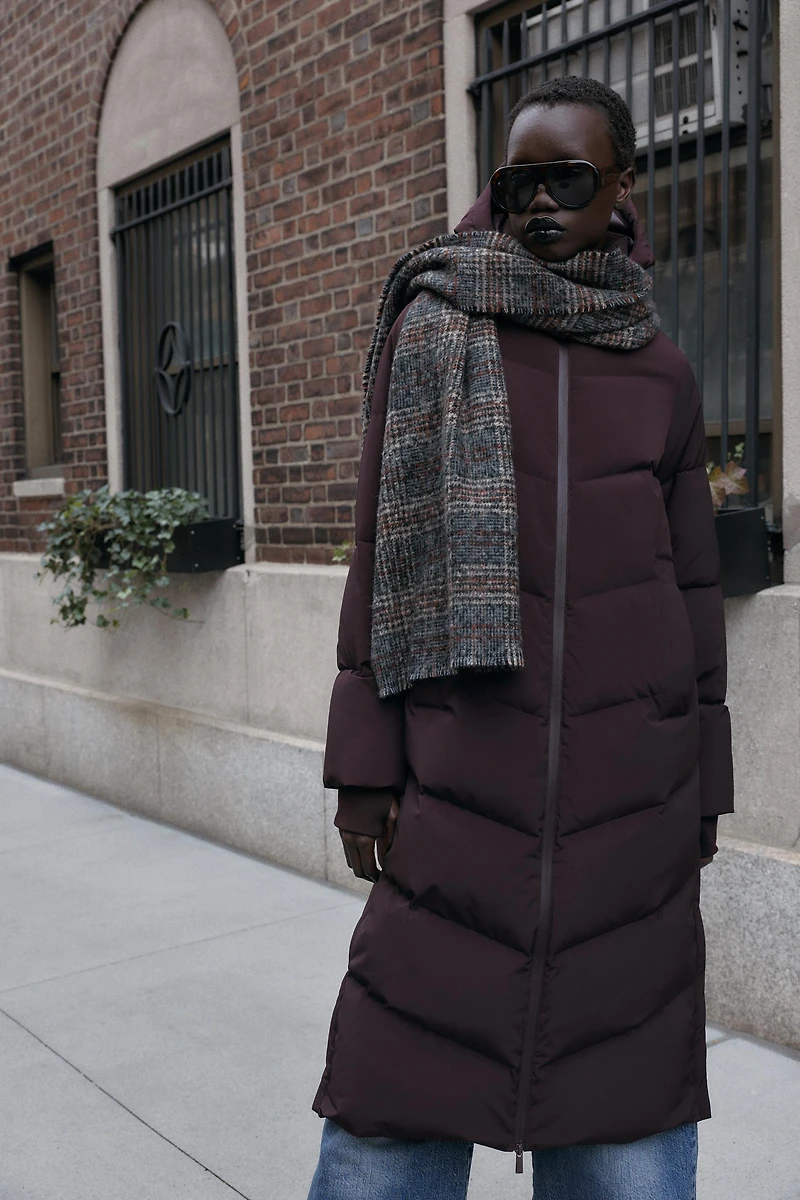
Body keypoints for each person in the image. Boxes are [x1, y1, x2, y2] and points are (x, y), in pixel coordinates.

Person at [308, 76, 733, 1200]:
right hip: (456, 790)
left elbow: (692, 591)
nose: (538, 203)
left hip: (628, 817)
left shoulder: (660, 371)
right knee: (380, 1137)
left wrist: (701, 788)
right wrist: (363, 768)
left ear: (621, 187)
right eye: (517, 181)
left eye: (567, 179)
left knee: (623, 1144)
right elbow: (377, 552)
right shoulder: (436, 323)